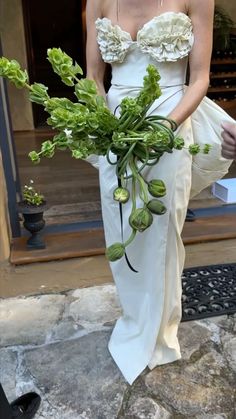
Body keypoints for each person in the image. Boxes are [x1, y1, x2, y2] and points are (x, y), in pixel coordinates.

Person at [85, 0, 234, 385]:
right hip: (116, 129)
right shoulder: (97, 2)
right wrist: (106, 125)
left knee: (163, 232)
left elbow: (199, 79)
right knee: (120, 229)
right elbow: (92, 77)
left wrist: (164, 128)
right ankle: (134, 321)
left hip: (171, 120)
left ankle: (161, 331)